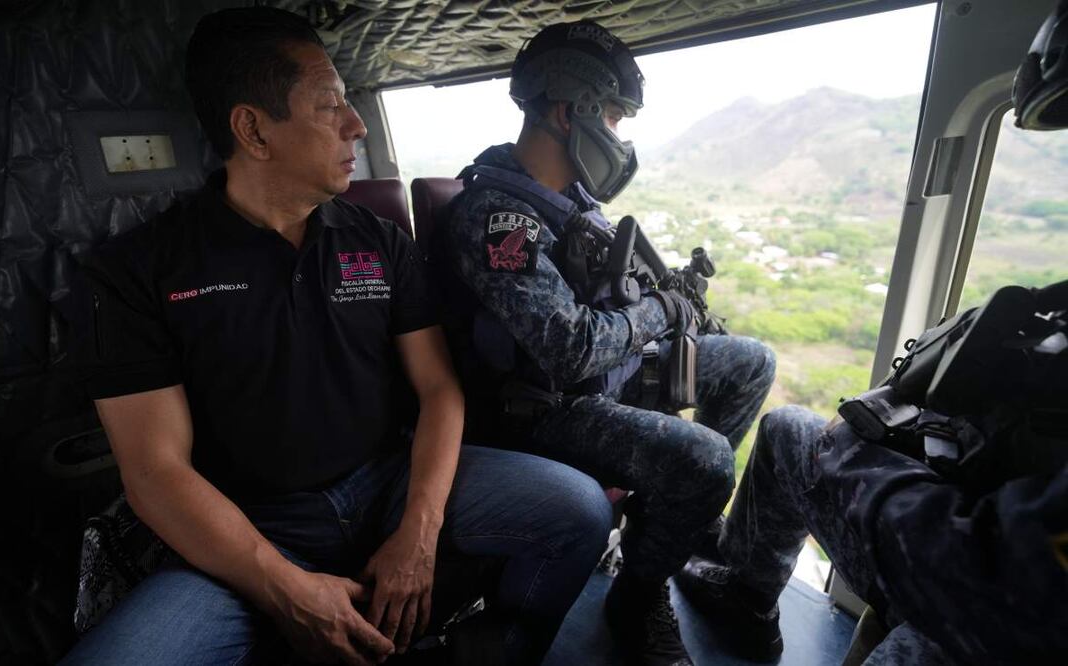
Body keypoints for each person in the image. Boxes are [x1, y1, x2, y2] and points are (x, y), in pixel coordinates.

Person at [61, 7, 613, 666]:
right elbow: (155, 474)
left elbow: (438, 390)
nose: (354, 125)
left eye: (354, 105)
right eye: (330, 108)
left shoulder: (378, 241)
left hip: (385, 484)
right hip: (245, 525)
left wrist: (419, 529)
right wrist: (288, 590)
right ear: (254, 130)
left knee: (578, 511)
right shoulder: (136, 270)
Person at [677, 8, 1068, 661]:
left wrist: (858, 462)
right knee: (783, 433)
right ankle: (747, 597)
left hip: (992, 611)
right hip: (985, 542)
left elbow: (998, 579)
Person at [435, 20, 776, 666]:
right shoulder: (495, 217)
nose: (619, 138)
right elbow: (570, 348)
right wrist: (657, 312)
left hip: (604, 376)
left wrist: (670, 306)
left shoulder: (572, 201)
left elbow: (611, 304)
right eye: (616, 119)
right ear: (572, 113)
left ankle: (667, 525)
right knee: (705, 462)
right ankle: (637, 595)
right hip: (541, 409)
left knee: (752, 363)